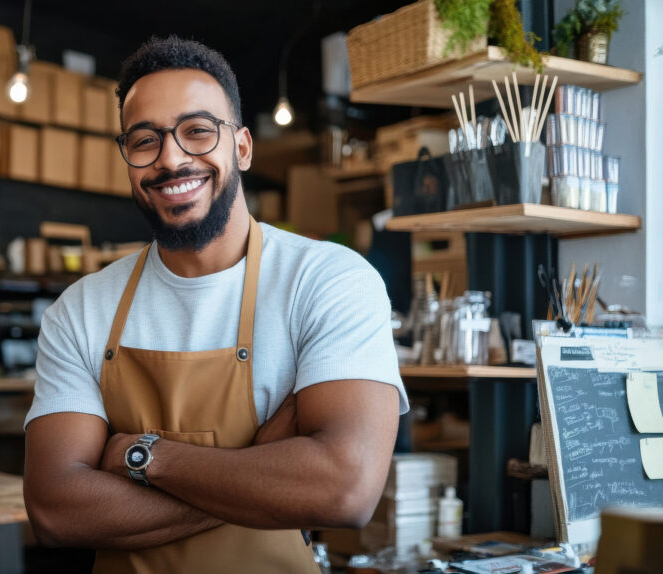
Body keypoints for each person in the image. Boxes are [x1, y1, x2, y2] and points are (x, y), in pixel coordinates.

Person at [23, 36, 408, 573]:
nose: (172, 158)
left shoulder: (327, 280)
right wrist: (257, 469)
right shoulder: (81, 309)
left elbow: (345, 489)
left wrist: (141, 457)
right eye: (144, 140)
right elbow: (55, 511)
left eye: (198, 131)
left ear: (243, 147)